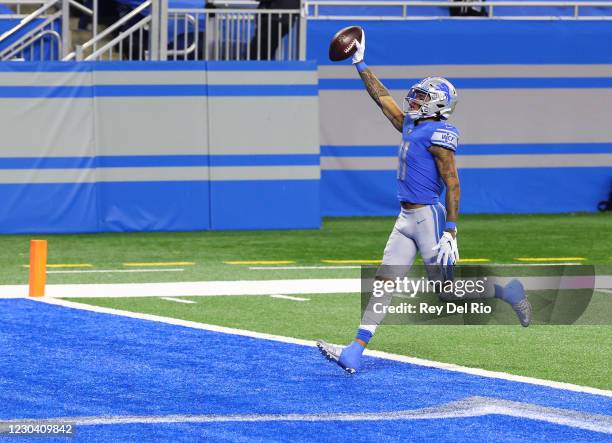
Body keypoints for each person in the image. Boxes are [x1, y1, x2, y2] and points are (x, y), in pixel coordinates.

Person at [316, 30, 532, 374]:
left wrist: (451, 230)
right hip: (405, 218)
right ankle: (355, 350)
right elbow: (382, 98)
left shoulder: (439, 134)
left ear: (437, 104)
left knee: (448, 293)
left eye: (421, 97)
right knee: (385, 281)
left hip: (429, 218)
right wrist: (360, 64)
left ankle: (507, 291)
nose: (413, 101)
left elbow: (453, 182)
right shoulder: (411, 126)